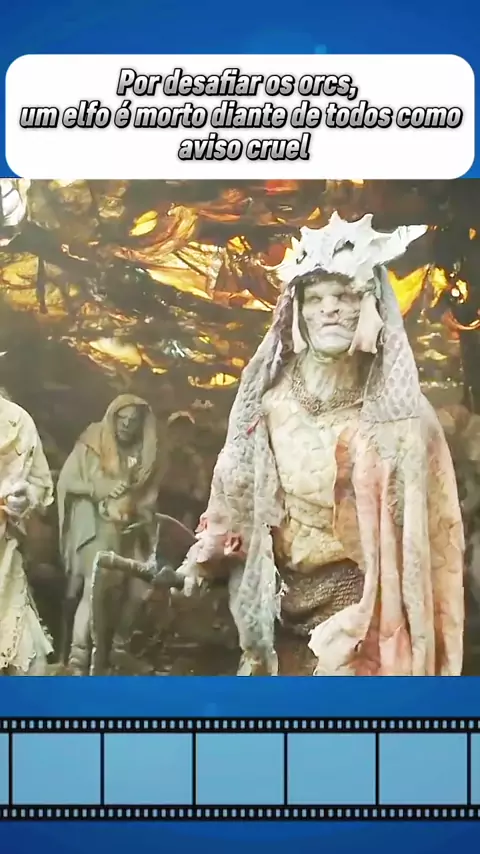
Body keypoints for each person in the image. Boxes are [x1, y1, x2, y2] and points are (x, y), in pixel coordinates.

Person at [176, 213, 465, 676]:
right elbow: (235, 490)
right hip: (279, 603)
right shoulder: (268, 404)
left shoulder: (406, 419)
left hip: (361, 608)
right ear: (298, 311)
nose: (330, 308)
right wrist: (204, 557)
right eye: (316, 297)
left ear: (369, 305)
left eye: (344, 295)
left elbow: (430, 542)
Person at [57, 394, 164, 674]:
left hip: (129, 529)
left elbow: (147, 499)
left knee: (140, 587)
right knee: (94, 588)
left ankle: (118, 647)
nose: (126, 425)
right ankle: (78, 656)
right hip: (95, 524)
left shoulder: (145, 455)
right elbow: (68, 481)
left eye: (133, 421)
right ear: (113, 417)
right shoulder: (92, 441)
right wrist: (99, 490)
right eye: (122, 419)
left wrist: (140, 515)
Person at [0, 391, 54, 675]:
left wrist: (26, 497)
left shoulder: (18, 422)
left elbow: (39, 486)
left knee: (33, 668)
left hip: (5, 565)